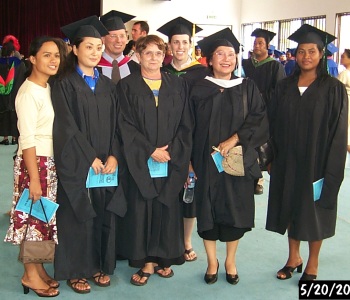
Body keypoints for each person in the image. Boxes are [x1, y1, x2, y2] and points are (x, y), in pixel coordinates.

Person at [266, 24, 348, 281]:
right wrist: (271, 157)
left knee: (314, 210)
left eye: (312, 51)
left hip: (318, 160)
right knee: (291, 206)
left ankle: (312, 262)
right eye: (301, 51)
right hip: (288, 159)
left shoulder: (333, 88)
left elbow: (338, 130)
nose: (306, 56)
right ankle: (293, 257)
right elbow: (273, 124)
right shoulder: (284, 86)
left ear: (322, 54)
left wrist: (332, 166)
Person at [52, 16, 124, 294]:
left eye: (98, 47)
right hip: (78, 163)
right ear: (74, 49)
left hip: (106, 164)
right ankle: (75, 270)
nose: (95, 52)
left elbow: (119, 124)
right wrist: (88, 158)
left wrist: (115, 156)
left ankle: (98, 265)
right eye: (89, 47)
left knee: (103, 212)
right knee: (77, 213)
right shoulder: (64, 84)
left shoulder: (108, 86)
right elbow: (66, 125)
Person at [191, 28, 268, 285]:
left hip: (237, 160)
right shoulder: (198, 88)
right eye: (220, 54)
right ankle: (212, 261)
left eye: (231, 54)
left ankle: (230, 260)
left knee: (235, 209)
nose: (226, 58)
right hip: (205, 161)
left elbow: (259, 119)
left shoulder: (247, 87)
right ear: (209, 59)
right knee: (207, 209)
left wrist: (234, 138)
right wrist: (190, 160)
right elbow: (187, 125)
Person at [116, 34, 192, 286]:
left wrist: (173, 152)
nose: (153, 58)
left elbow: (186, 123)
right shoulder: (126, 86)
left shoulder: (177, 85)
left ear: (164, 56)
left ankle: (164, 257)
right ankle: (147, 261)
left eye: (158, 53)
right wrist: (150, 149)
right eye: (147, 53)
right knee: (142, 207)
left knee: (167, 206)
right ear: (138, 56)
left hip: (171, 158)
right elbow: (124, 124)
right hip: (141, 160)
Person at [4, 36, 61, 297]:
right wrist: (35, 178)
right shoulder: (28, 92)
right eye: (46, 55)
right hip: (34, 162)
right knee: (30, 220)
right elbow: (26, 138)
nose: (53, 60)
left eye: (57, 55)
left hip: (47, 161)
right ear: (32, 59)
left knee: (42, 219)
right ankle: (29, 275)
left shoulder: (46, 87)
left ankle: (38, 268)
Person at [158, 17, 208, 262]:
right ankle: (167, 237)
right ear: (169, 45)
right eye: (175, 42)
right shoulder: (161, 70)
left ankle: (186, 241)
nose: (179, 47)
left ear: (191, 44)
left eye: (184, 42)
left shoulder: (202, 73)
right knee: (166, 187)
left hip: (194, 138)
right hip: (165, 138)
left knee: (190, 190)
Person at [242, 28, 286, 195]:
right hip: (247, 110)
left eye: (260, 43)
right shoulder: (246, 64)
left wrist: (258, 96)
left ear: (268, 46)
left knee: (262, 145)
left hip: (266, 111)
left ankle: (259, 178)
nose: (257, 46)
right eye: (255, 43)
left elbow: (279, 91)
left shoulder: (275, 66)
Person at [98, 10, 140, 83]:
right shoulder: (93, 67)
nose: (118, 40)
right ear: (103, 39)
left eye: (122, 36)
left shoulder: (136, 68)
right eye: (113, 36)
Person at [0, 40, 26, 145]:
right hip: (16, 92)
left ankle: (5, 138)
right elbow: (23, 77)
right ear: (12, 52)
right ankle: (15, 138)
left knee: (3, 114)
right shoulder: (19, 64)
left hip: (2, 94)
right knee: (16, 114)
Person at [338, 49, 350, 154]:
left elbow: (336, 89)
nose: (341, 58)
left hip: (346, 104)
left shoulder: (345, 74)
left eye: (343, 56)